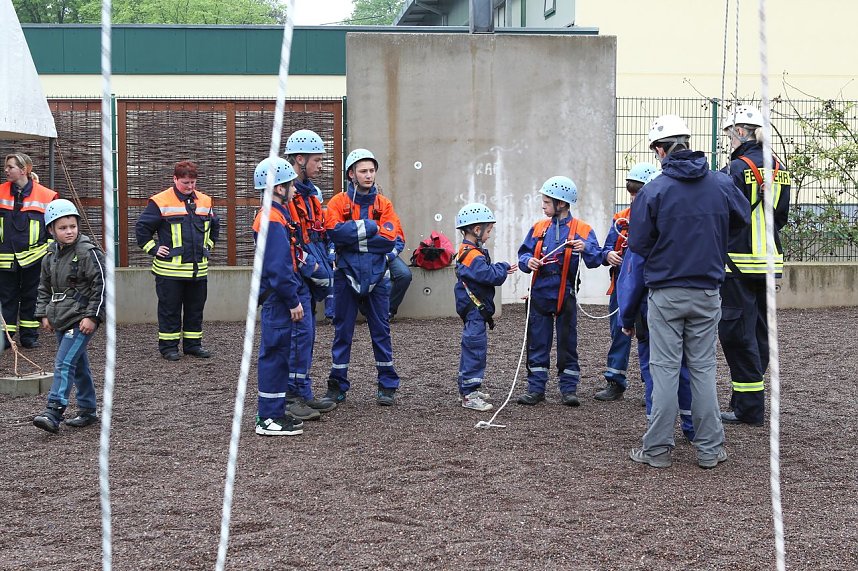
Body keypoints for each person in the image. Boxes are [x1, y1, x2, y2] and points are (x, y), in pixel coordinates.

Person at [627, 114, 749, 469]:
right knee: (703, 370)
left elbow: (638, 242)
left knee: (664, 370)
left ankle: (657, 450)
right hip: (708, 290)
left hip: (666, 292)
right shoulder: (721, 183)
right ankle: (710, 449)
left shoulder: (655, 189)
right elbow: (741, 219)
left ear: (662, 150)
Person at [718, 105, 791, 427]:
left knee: (735, 333)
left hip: (738, 262)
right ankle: (747, 400)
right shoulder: (779, 167)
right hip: (768, 261)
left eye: (729, 134)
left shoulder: (737, 168)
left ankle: (748, 408)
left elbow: (728, 215)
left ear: (741, 132)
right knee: (759, 333)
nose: (728, 141)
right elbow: (782, 218)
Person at [617, 172, 695, 442]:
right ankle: (692, 426)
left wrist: (626, 318)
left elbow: (633, 278)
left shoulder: (641, 232)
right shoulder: (682, 222)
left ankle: (658, 436)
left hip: (652, 311)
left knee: (656, 371)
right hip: (691, 303)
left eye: (637, 194)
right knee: (687, 368)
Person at [322, 149, 403, 407]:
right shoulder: (337, 203)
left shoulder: (384, 204)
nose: (368, 175)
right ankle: (337, 386)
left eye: (371, 170)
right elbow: (333, 232)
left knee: (381, 331)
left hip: (377, 276)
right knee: (342, 332)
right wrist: (370, 230)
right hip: (345, 276)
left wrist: (352, 240)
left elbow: (392, 239)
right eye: (363, 171)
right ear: (351, 174)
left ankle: (387, 385)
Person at [516, 176, 602, 407]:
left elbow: (596, 259)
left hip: (566, 293)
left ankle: (568, 389)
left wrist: (586, 248)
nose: (543, 206)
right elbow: (523, 255)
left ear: (561, 204)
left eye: (546, 202)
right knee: (537, 341)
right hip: (540, 293)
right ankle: (536, 388)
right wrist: (529, 262)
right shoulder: (538, 228)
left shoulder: (582, 229)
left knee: (567, 342)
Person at [32, 199, 106, 433]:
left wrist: (93, 316)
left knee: (64, 362)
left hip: (81, 319)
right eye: (63, 228)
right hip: (61, 317)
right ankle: (87, 410)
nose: (69, 231)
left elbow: (102, 286)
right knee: (78, 364)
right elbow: (44, 287)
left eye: (72, 226)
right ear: (51, 230)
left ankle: (53, 411)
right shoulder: (50, 255)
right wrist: (43, 313)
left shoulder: (87, 252)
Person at [135, 161, 220, 361]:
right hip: (169, 272)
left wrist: (208, 246)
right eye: (185, 183)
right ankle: (168, 348)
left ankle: (193, 345)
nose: (190, 187)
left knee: (195, 310)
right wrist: (153, 249)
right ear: (174, 179)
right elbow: (141, 228)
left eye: (192, 182)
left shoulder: (205, 201)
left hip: (198, 271)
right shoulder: (160, 201)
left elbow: (214, 227)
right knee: (169, 311)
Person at [283, 129, 337, 419]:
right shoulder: (287, 195)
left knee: (307, 335)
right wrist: (312, 269)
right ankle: (290, 397)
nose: (320, 166)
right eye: (316, 160)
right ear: (300, 159)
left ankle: (302, 393)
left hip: (309, 276)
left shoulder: (310, 195)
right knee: (298, 335)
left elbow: (319, 232)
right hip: (296, 275)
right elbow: (292, 242)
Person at [594, 162, 657, 402]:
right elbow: (605, 248)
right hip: (621, 285)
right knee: (619, 333)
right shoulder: (621, 219)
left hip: (647, 286)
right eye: (631, 194)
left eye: (637, 194)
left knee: (648, 336)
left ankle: (650, 384)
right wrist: (608, 255)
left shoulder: (656, 217)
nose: (633, 199)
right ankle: (615, 380)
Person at [252, 156, 305, 436]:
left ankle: (274, 412)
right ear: (277, 188)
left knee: (279, 354)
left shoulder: (273, 215)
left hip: (276, 296)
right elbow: (278, 266)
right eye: (290, 185)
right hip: (277, 298)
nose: (294, 190)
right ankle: (268, 418)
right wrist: (293, 299)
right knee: (274, 354)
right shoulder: (272, 217)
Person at [454, 203, 516, 411]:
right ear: (476, 230)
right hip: (474, 311)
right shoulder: (472, 255)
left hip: (472, 309)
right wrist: (503, 267)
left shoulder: (469, 251)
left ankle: (467, 388)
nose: (490, 234)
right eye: (488, 230)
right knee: (475, 349)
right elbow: (489, 276)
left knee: (472, 347)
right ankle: (470, 394)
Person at [1, 153, 58, 350]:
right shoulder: (0, 192)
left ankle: (29, 336)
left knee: (31, 297)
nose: (6, 170)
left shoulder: (46, 195)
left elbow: (54, 226)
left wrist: (51, 252)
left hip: (35, 258)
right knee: (6, 297)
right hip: (5, 258)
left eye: (10, 167)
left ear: (24, 170)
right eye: (6, 167)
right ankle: (6, 336)